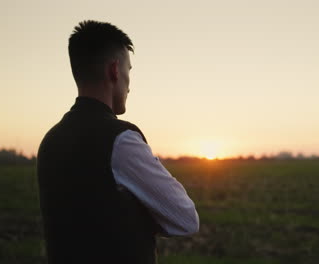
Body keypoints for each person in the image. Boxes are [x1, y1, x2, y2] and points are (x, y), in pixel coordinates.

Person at [37, 20, 199, 264]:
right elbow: (186, 219)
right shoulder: (121, 140)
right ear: (114, 70)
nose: (129, 84)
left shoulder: (50, 141)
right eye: (129, 70)